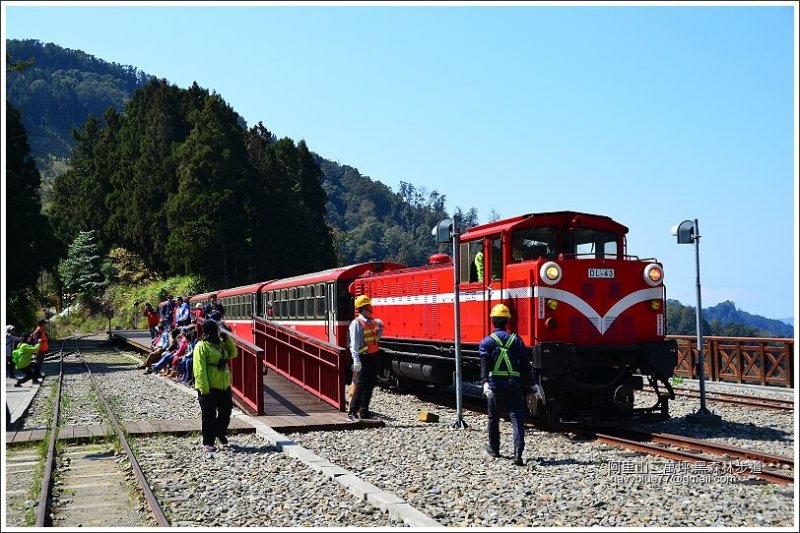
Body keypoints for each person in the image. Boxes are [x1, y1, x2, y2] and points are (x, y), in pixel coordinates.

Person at [479, 303, 532, 466]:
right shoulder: (516, 340)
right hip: (514, 384)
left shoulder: (486, 342)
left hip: (495, 385)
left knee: (493, 418)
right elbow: (525, 364)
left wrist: (484, 383)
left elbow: (484, 363)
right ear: (508, 321)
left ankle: (494, 449)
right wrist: (533, 384)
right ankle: (518, 454)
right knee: (517, 417)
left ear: (492, 321)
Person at [193, 319, 238, 452]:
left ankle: (219, 432)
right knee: (209, 415)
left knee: (226, 411)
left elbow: (233, 353)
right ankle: (208, 441)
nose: (216, 333)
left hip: (223, 385)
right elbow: (199, 369)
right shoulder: (201, 346)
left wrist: (227, 339)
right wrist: (204, 389)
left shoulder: (220, 345)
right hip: (209, 387)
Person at [347, 295, 383, 421]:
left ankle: (364, 411)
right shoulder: (356, 323)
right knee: (361, 385)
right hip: (363, 357)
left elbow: (375, 341)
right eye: (368, 306)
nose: (371, 308)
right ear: (363, 308)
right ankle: (352, 412)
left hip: (373, 357)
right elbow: (354, 344)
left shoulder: (371, 322)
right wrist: (356, 360)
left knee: (370, 384)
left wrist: (379, 331)